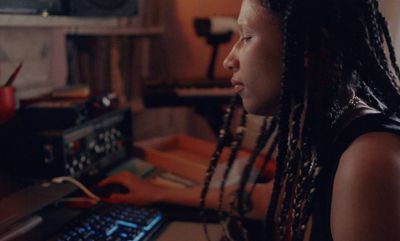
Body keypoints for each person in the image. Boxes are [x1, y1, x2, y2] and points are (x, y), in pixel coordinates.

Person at [99, 0, 400, 240]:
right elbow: (272, 197)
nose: (228, 59)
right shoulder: (331, 129)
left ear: (306, 46)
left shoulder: (367, 161)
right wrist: (157, 193)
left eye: (246, 37)